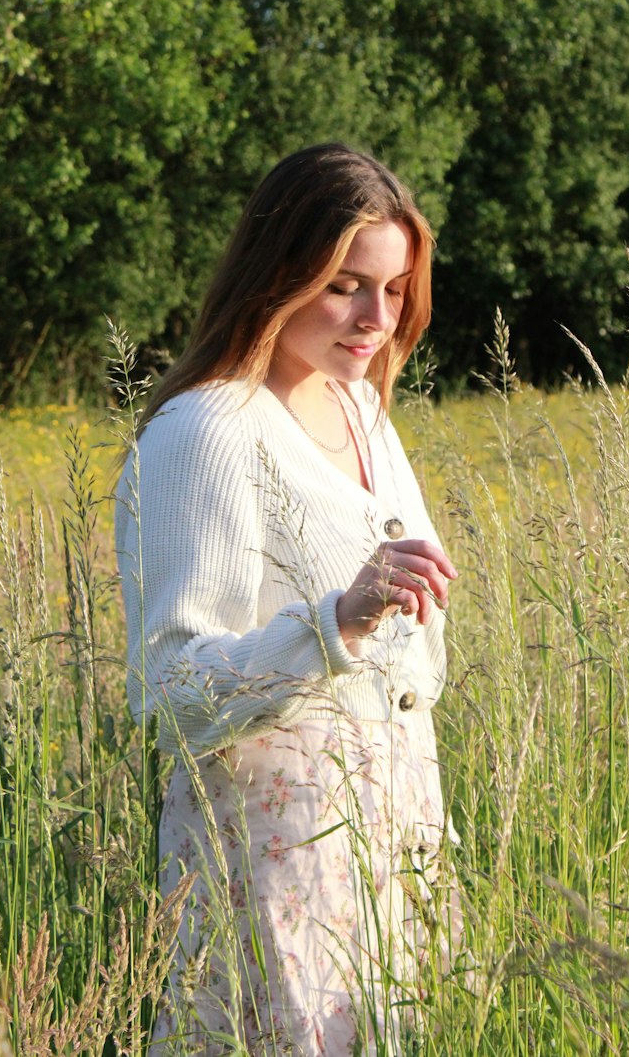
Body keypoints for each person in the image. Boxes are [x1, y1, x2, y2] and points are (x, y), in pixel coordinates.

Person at [115, 143, 460, 1055]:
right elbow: (173, 690)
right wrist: (332, 624)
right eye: (347, 284)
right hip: (273, 861)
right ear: (280, 272)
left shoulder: (362, 413)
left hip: (390, 850)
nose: (375, 319)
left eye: (393, 291)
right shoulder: (208, 431)